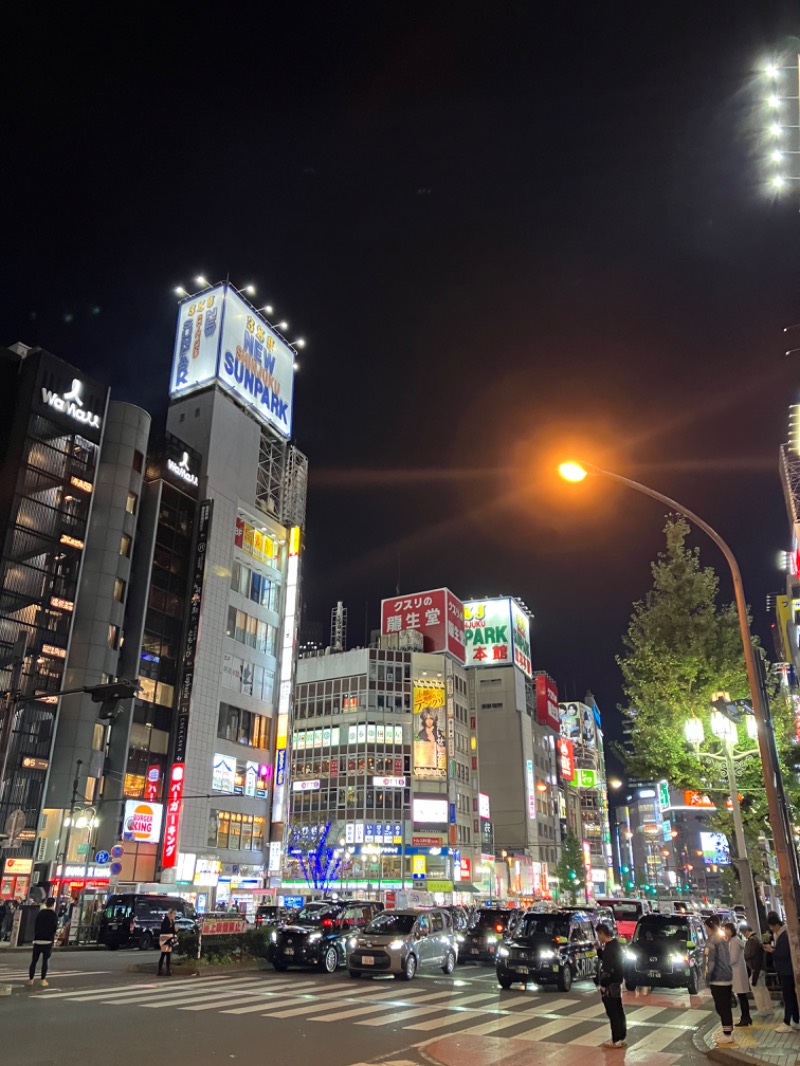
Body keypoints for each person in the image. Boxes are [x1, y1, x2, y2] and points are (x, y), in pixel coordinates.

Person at [764, 911, 799, 1031]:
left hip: (786, 971)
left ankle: (787, 1022)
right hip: (787, 971)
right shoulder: (783, 934)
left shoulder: (784, 935)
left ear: (775, 925)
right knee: (791, 997)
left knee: (788, 997)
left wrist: (771, 950)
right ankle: (796, 1020)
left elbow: (783, 954)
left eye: (771, 926)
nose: (771, 929)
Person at [705, 915, 735, 1045]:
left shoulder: (711, 941)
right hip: (728, 977)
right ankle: (728, 1031)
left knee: (721, 1007)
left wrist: (707, 978)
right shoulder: (724, 940)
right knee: (726, 1007)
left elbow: (709, 962)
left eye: (706, 927)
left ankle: (727, 1034)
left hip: (717, 979)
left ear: (709, 927)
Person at [596, 921, 626, 1049]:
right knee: (618, 1010)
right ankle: (621, 1036)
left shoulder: (609, 948)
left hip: (610, 984)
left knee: (612, 1012)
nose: (598, 937)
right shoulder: (615, 945)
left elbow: (607, 968)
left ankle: (616, 1039)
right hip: (617, 982)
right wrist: (598, 950)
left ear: (602, 934)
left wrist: (602, 984)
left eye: (599, 935)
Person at [723, 922, 752, 1026]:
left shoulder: (734, 942)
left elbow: (733, 958)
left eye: (726, 929)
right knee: (742, 996)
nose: (724, 931)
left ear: (731, 930)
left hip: (737, 973)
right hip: (737, 972)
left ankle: (745, 1018)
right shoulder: (733, 941)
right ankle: (746, 1017)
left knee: (742, 996)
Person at [26, 898, 58, 988]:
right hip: (47, 940)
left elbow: (36, 925)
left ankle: (30, 979)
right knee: (45, 961)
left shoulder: (40, 913)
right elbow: (54, 928)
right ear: (53, 904)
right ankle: (43, 980)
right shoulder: (53, 915)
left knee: (34, 961)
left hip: (37, 939)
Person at [158, 908, 178, 976]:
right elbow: (164, 930)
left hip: (169, 939)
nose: (174, 915)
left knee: (168, 955)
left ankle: (167, 969)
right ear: (170, 914)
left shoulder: (172, 921)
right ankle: (160, 970)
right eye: (174, 914)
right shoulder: (165, 921)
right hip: (164, 939)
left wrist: (175, 930)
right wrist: (173, 929)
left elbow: (173, 931)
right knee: (164, 954)